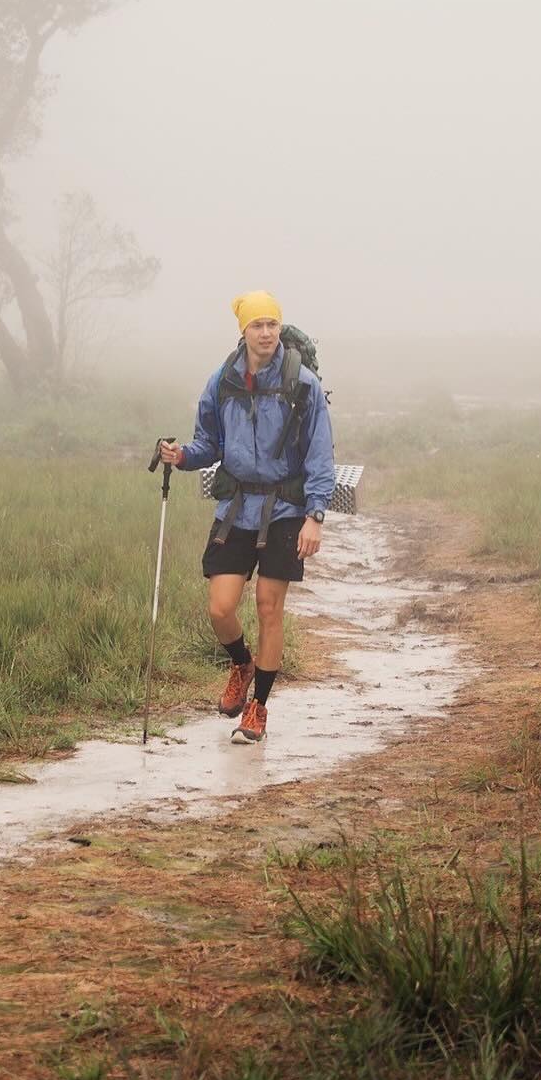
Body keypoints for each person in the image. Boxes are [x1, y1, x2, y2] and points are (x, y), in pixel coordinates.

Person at [158, 291, 334, 744]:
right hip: (237, 506)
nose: (266, 333)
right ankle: (241, 663)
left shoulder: (303, 384)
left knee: (268, 607)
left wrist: (315, 514)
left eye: (272, 324)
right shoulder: (223, 381)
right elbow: (208, 444)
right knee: (220, 607)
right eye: (257, 325)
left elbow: (319, 454)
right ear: (243, 330)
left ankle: (258, 706)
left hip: (287, 508)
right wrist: (181, 456)